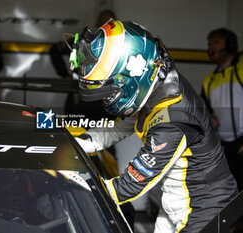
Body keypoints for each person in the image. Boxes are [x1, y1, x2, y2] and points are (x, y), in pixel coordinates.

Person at [70, 20, 238, 233]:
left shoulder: (174, 119)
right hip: (177, 200)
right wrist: (79, 143)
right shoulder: (156, 83)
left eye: (111, 89)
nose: (109, 97)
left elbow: (129, 185)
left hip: (204, 209)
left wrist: (72, 188)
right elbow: (123, 126)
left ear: (132, 75)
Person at [201, 28, 243, 191]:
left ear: (230, 44)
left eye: (216, 42)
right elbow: (203, 111)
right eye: (209, 44)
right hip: (224, 147)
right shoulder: (209, 80)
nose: (211, 47)